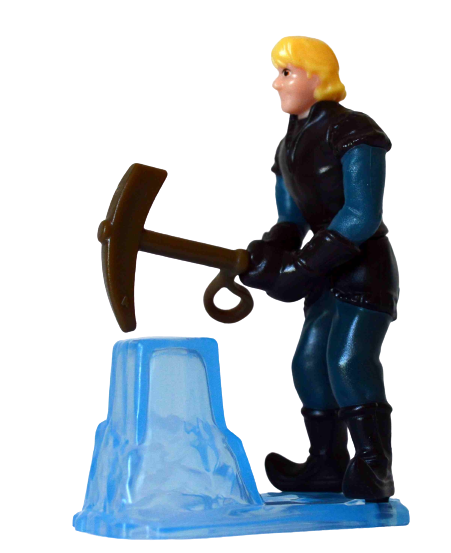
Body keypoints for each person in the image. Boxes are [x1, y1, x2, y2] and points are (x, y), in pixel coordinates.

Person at [240, 36, 399, 502]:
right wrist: (267, 254)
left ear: (317, 76)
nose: (276, 83)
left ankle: (374, 467)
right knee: (309, 363)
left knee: (348, 361)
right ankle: (326, 465)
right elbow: (290, 220)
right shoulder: (287, 146)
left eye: (286, 73)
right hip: (323, 274)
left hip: (362, 268)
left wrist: (302, 267)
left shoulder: (353, 130)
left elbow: (361, 215)